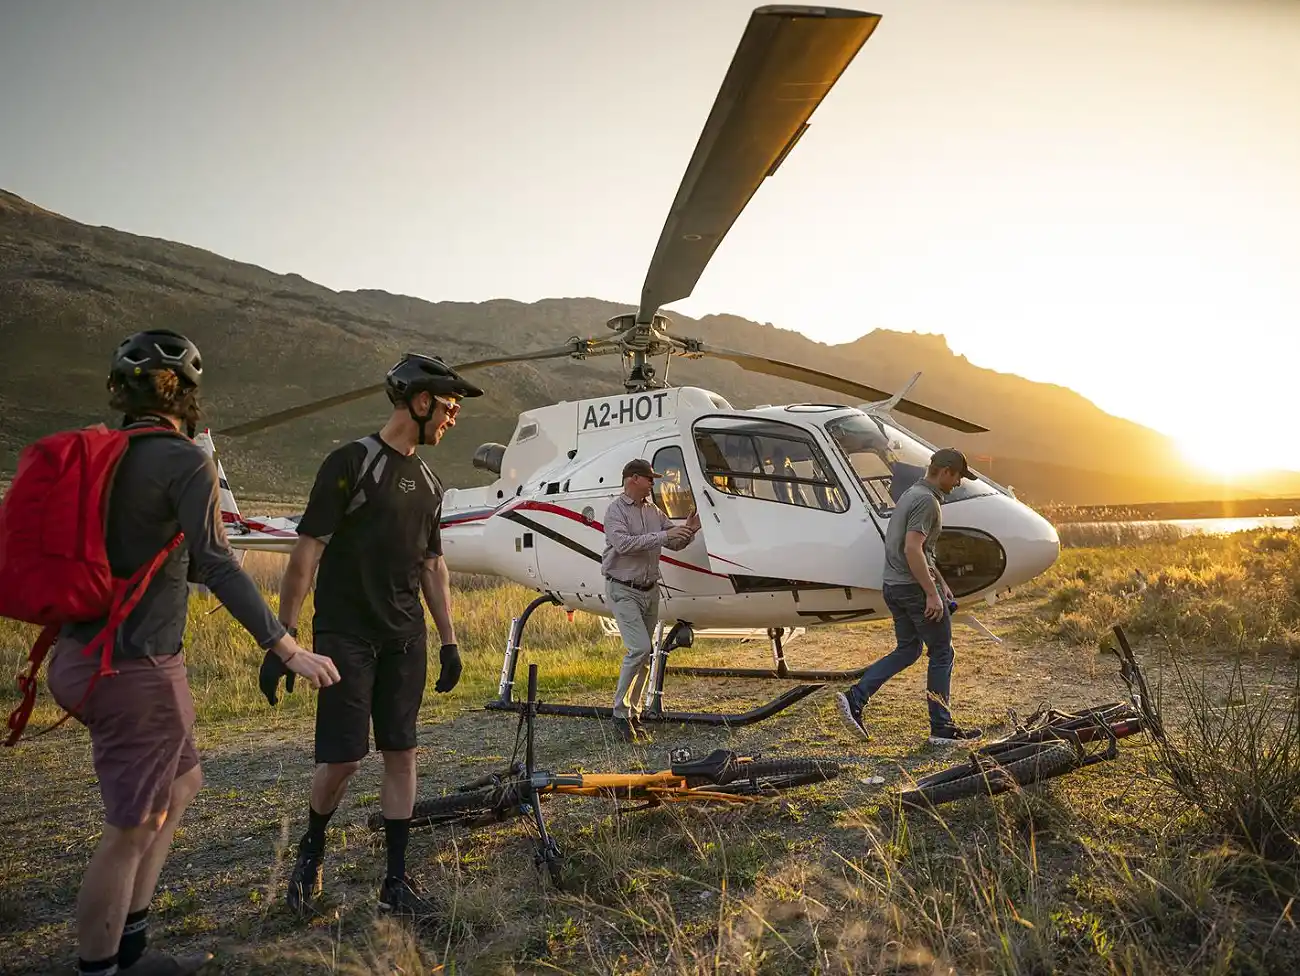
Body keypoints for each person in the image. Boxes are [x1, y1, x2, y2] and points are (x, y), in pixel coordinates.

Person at [44, 329, 339, 976]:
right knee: (130, 829)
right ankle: (101, 966)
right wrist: (287, 646)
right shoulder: (184, 460)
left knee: (181, 785)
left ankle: (133, 942)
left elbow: (159, 556)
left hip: (78, 655)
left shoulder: (106, 453)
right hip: (135, 667)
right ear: (189, 396)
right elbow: (221, 565)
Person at [272, 352, 482, 921]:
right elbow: (306, 553)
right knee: (342, 761)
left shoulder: (432, 481)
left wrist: (449, 641)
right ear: (419, 402)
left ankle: (395, 880)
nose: (452, 417)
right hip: (345, 636)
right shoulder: (352, 463)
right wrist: (282, 639)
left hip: (404, 638)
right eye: (448, 406)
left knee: (402, 754)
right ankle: (311, 850)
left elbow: (433, 567)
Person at [835, 447, 984, 746]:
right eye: (956, 477)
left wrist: (939, 580)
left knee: (909, 650)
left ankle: (856, 697)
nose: (957, 484)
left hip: (894, 585)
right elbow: (912, 549)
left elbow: (921, 549)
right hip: (913, 588)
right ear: (945, 472)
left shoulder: (911, 494)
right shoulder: (927, 502)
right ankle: (942, 729)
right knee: (942, 652)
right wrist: (931, 593)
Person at [601, 458, 700, 743]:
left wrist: (690, 530)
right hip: (623, 589)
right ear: (633, 479)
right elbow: (623, 545)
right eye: (649, 479)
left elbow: (673, 542)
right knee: (639, 648)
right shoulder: (615, 511)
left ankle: (633, 714)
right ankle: (619, 714)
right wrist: (663, 535)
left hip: (649, 589)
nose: (652, 483)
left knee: (645, 656)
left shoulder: (653, 510)